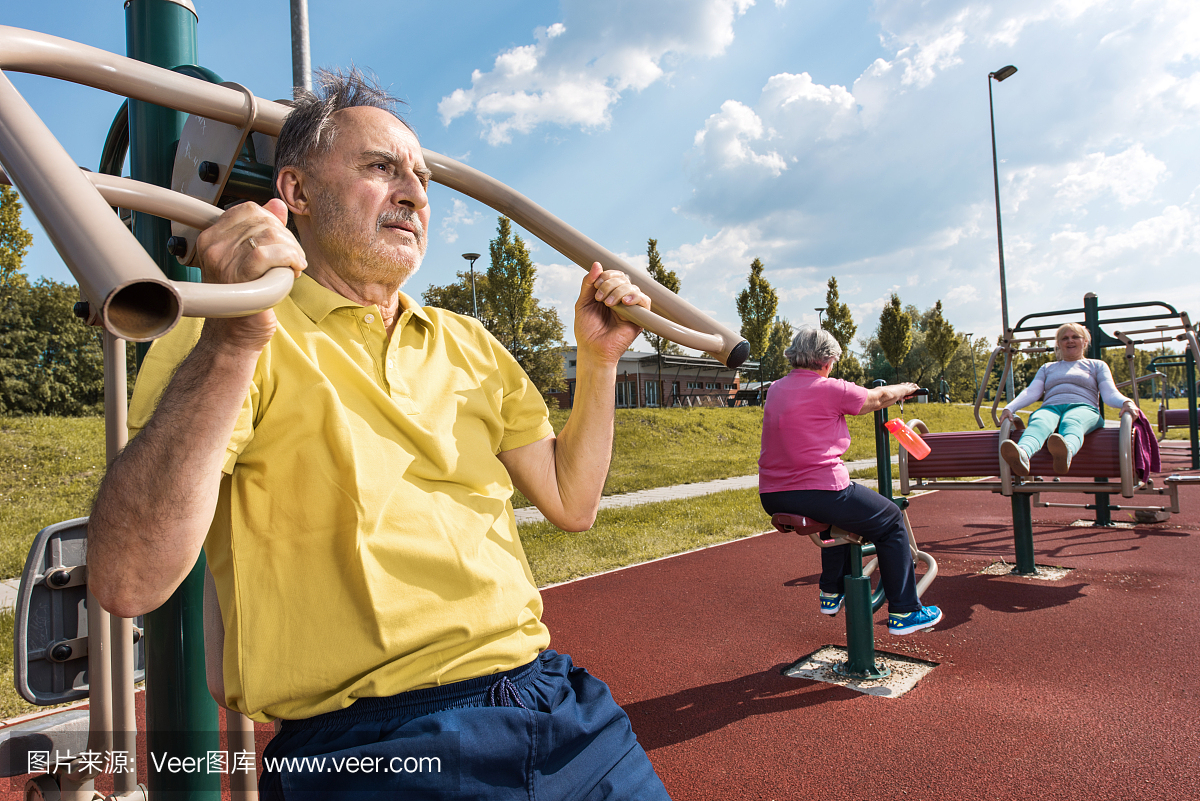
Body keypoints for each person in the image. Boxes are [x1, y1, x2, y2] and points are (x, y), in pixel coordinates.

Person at [88, 69, 671, 800]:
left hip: (551, 700)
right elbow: (126, 578)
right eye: (380, 167)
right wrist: (236, 342)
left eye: (421, 177)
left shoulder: (469, 341)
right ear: (295, 192)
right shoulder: (233, 335)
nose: (414, 192)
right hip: (370, 742)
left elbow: (572, 500)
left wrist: (598, 361)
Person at [757, 328, 942, 636]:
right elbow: (878, 397)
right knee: (890, 519)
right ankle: (905, 610)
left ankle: (831, 591)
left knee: (842, 518)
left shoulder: (776, 388)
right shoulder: (830, 388)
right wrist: (905, 387)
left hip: (773, 495)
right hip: (818, 491)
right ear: (828, 360)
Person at [999, 322, 1139, 476]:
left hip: (1084, 408)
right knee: (1040, 420)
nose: (1070, 341)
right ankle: (1023, 454)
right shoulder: (1047, 367)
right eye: (1065, 338)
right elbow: (1031, 392)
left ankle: (1066, 452)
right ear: (1059, 344)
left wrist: (1126, 402)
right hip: (1051, 407)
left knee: (1072, 421)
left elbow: (1109, 393)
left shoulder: (1096, 365)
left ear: (1085, 342)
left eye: (1075, 337)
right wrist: (1010, 408)